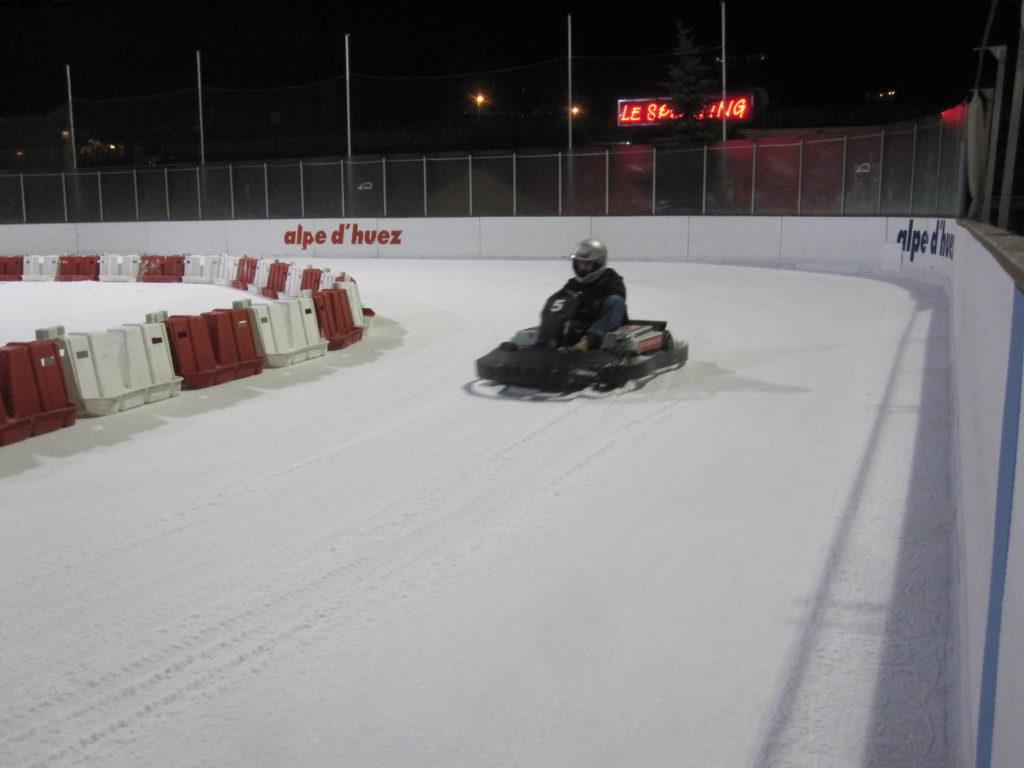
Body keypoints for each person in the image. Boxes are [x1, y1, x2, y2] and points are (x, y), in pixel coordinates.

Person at [562, 239, 628, 351]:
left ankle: (588, 342)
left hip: (604, 325)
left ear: (599, 263)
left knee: (616, 301)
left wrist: (591, 302)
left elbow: (618, 297)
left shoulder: (611, 278)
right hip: (580, 325)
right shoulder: (572, 283)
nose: (582, 268)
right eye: (580, 263)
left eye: (587, 264)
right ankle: (547, 343)